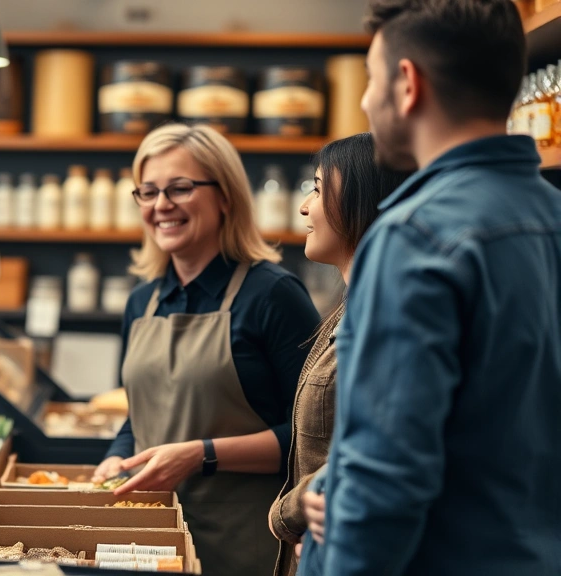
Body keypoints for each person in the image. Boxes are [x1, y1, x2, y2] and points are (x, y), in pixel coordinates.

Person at [297, 1, 561, 574]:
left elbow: (385, 478)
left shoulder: (415, 236)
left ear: (408, 84)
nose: (366, 102)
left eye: (370, 79)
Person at [90, 123, 321, 575]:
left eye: (179, 188)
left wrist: (200, 453)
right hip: (150, 543)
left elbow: (315, 436)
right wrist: (114, 456)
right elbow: (141, 415)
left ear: (226, 196)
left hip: (248, 541)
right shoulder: (143, 301)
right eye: (148, 192)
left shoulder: (273, 295)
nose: (161, 206)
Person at [266, 133, 409, 576]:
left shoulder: (385, 312)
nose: (304, 207)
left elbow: (375, 449)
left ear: (364, 199)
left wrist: (287, 516)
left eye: (317, 187)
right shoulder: (352, 304)